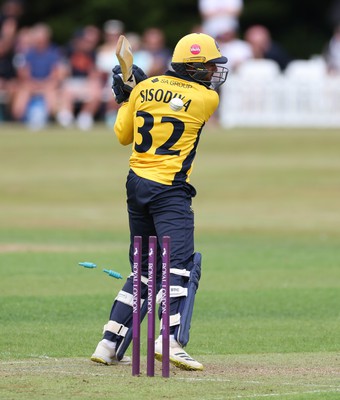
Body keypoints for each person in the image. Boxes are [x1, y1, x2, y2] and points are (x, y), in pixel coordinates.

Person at [91, 32, 229, 371]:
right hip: (169, 189)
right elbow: (178, 99)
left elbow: (123, 135)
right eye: (210, 66)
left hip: (136, 184)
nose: (214, 72)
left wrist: (127, 97)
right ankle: (170, 342)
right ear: (194, 69)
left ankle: (109, 343)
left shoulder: (143, 89)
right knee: (180, 266)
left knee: (145, 269)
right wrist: (139, 90)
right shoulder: (205, 99)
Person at [11, 23, 63, 128]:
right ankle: (18, 118)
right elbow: (24, 74)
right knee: (23, 90)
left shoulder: (54, 52)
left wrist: (45, 84)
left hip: (48, 84)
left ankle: (50, 118)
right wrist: (34, 84)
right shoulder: (28, 53)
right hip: (31, 84)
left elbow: (56, 73)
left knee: (50, 90)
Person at [56, 27, 102, 130]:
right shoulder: (67, 52)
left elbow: (94, 73)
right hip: (71, 81)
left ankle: (85, 117)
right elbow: (62, 72)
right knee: (66, 89)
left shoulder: (92, 54)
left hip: (86, 82)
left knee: (96, 88)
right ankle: (66, 116)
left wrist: (90, 83)